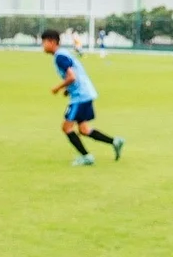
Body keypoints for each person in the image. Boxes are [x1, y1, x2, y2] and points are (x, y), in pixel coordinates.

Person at [41, 29, 124, 166]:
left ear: (52, 42)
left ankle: (87, 157)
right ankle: (115, 141)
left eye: (44, 42)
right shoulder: (64, 54)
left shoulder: (59, 57)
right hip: (85, 93)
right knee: (84, 129)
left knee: (66, 128)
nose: (42, 46)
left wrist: (58, 87)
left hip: (80, 97)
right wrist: (68, 90)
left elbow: (72, 76)